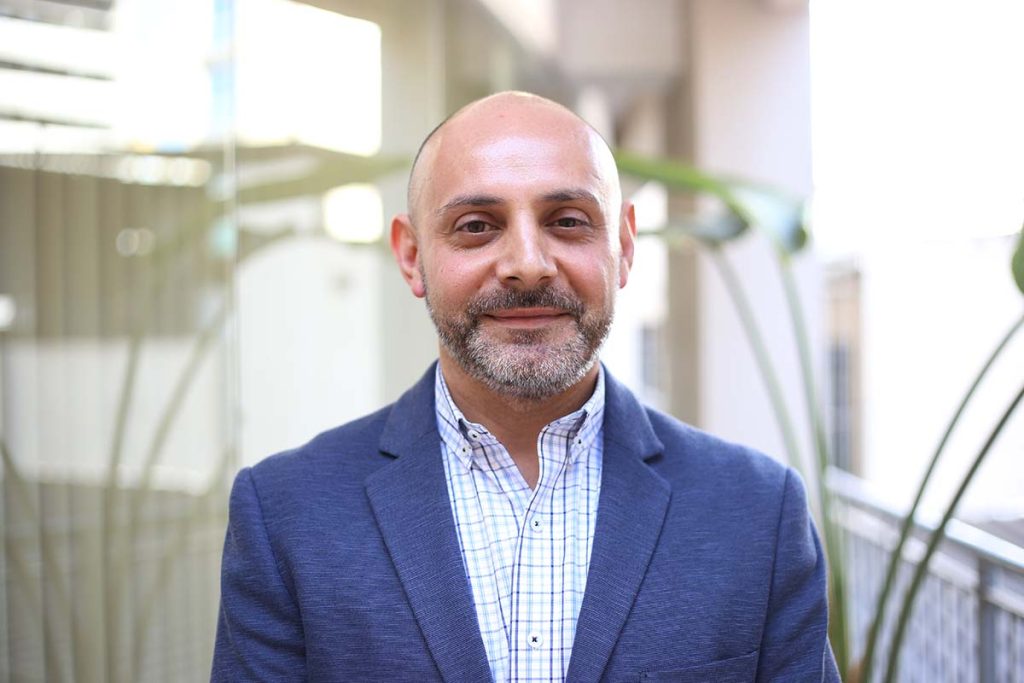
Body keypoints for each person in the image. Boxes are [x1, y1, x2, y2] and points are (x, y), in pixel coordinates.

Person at [212, 91, 841, 682]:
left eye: (566, 221)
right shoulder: (286, 516)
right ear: (411, 256)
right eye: (476, 226)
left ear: (623, 248)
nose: (528, 265)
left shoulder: (760, 515)